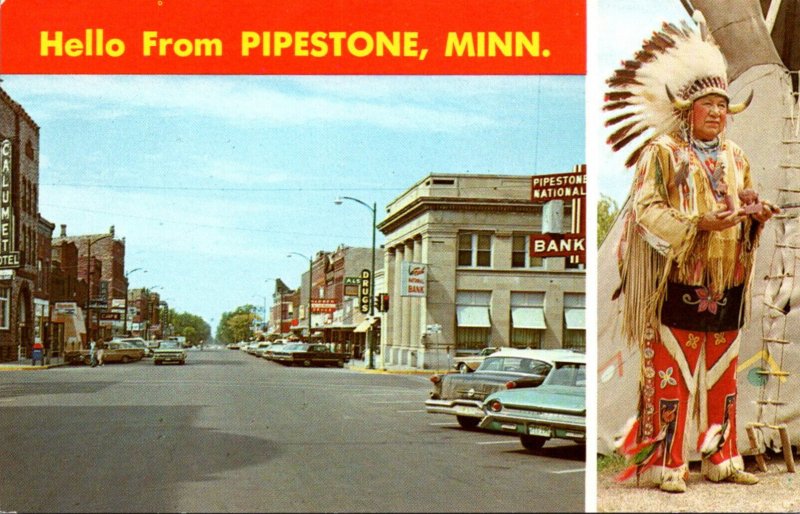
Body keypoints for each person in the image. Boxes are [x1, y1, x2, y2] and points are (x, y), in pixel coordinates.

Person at [604, 11, 779, 493]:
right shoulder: (662, 153)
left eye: (723, 105)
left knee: (723, 375)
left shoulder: (735, 156)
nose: (718, 113)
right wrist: (696, 224)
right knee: (673, 373)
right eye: (709, 104)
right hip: (678, 279)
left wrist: (753, 212)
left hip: (727, 280)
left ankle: (722, 457)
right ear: (688, 109)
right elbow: (646, 210)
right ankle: (667, 464)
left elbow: (742, 197)